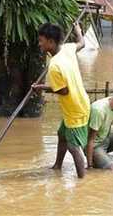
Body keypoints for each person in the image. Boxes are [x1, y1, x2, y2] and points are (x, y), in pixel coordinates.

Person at [32, 22, 90, 178]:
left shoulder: (54, 66)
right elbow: (82, 43)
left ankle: (82, 180)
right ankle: (58, 166)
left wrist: (41, 87)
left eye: (41, 41)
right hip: (80, 102)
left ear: (51, 42)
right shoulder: (67, 48)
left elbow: (63, 91)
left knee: (73, 147)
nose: (39, 44)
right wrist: (78, 30)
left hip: (75, 109)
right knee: (61, 134)